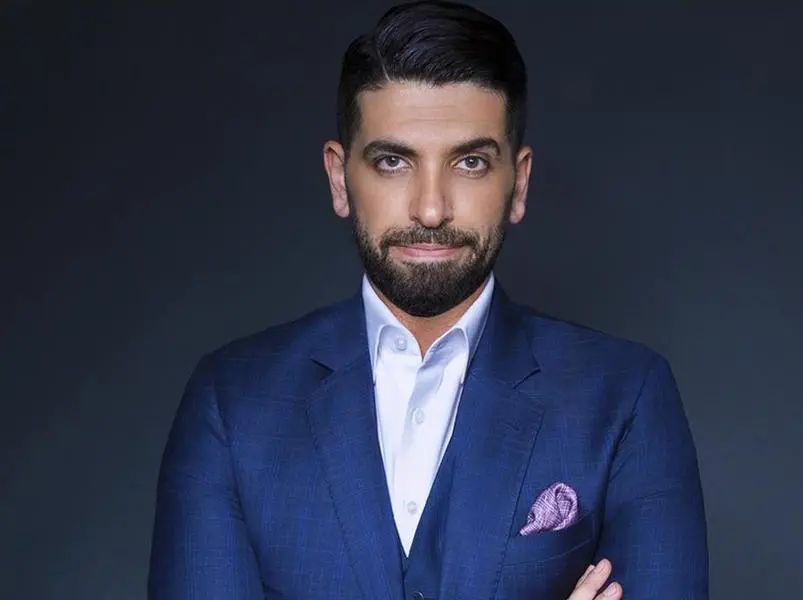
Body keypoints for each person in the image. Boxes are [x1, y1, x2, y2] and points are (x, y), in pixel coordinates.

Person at [148, 1, 708, 599]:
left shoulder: (626, 397)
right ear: (339, 179)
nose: (432, 208)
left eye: (470, 162)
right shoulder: (232, 403)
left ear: (518, 183)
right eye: (393, 161)